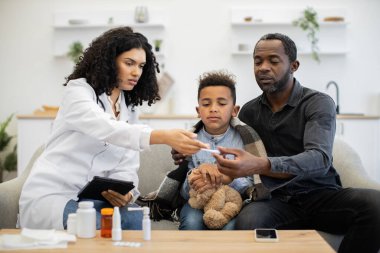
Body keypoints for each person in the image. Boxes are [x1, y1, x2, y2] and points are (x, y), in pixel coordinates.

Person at [19, 26, 208, 230]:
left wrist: (126, 193)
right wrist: (161, 135)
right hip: (55, 195)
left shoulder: (128, 109)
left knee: (134, 218)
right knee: (95, 224)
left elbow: (126, 165)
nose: (136, 72)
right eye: (129, 63)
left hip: (90, 199)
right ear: (110, 62)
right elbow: (105, 127)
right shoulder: (79, 91)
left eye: (142, 66)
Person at [209, 33, 380, 253]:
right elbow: (219, 134)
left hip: (321, 195)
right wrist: (188, 150)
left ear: (294, 65)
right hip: (274, 200)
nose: (263, 67)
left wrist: (262, 164)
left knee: (377, 206)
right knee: (249, 223)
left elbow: (320, 159)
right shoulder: (250, 111)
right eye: (258, 61)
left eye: (273, 60)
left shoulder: (318, 103)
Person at [145, 70, 267, 230]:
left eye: (222, 103)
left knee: (230, 228)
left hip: (231, 201)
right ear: (198, 110)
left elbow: (253, 183)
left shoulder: (245, 138)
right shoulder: (190, 140)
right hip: (197, 202)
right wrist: (195, 179)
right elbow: (183, 189)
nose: (213, 109)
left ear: (234, 110)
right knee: (191, 223)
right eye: (206, 103)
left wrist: (229, 178)